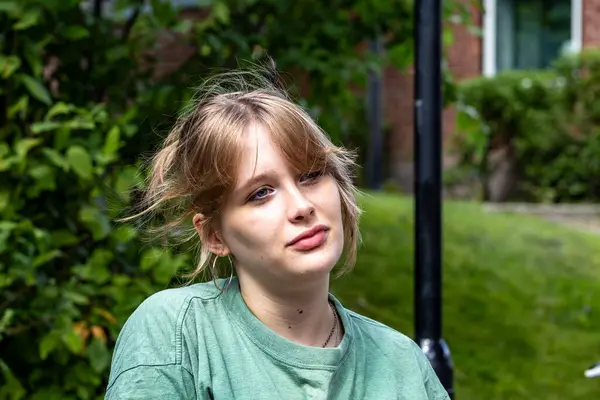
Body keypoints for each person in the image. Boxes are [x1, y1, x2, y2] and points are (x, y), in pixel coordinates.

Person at [105, 67, 450, 399]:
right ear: (215, 235)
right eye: (261, 193)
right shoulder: (176, 335)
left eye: (311, 174)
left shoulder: (402, 363)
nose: (301, 206)